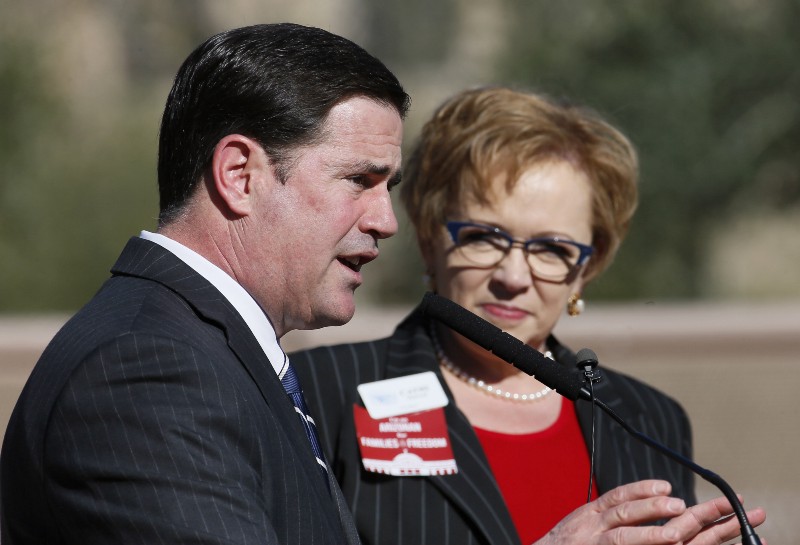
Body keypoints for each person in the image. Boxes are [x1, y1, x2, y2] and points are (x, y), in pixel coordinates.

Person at [291, 87, 766, 545]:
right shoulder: (319, 391)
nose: (513, 276)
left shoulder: (647, 418)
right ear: (432, 241)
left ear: (584, 269)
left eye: (552, 248)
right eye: (483, 237)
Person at [0, 23, 409, 545]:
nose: (386, 220)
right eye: (360, 180)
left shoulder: (202, 352)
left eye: (388, 186)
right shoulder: (146, 369)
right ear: (240, 175)